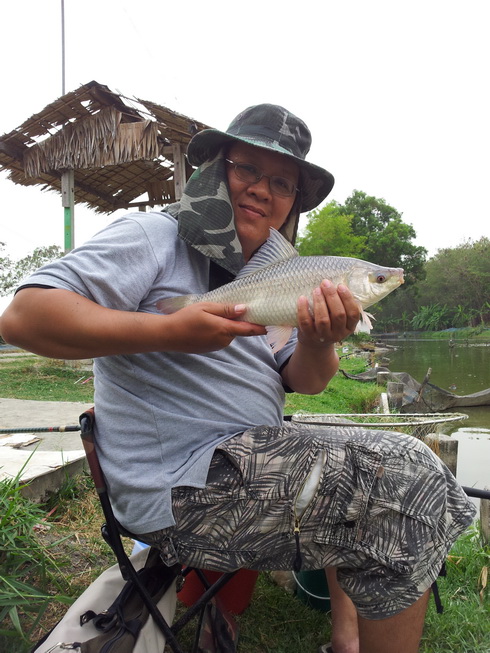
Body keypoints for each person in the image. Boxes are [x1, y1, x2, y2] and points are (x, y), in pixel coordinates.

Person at [0, 104, 475, 653]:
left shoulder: (285, 270)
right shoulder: (155, 234)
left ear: (292, 201)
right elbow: (23, 317)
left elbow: (308, 380)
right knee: (406, 475)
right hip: (182, 484)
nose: (261, 189)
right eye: (246, 169)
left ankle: (348, 641)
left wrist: (321, 338)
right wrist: (167, 332)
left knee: (376, 460)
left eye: (281, 182)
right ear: (215, 171)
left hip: (251, 462)